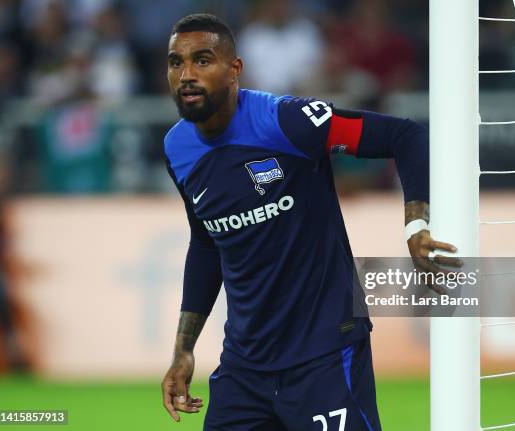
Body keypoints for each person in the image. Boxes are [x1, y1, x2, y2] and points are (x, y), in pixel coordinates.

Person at [160, 13, 459, 431]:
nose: (187, 74)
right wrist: (183, 348)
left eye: (202, 60)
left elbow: (404, 136)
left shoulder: (286, 123)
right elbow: (208, 244)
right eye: (177, 62)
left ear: (234, 69)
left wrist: (415, 225)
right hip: (245, 368)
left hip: (325, 355)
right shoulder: (178, 149)